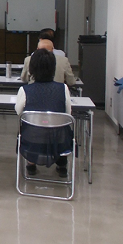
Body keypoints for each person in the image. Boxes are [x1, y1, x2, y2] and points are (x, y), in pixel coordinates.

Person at [15, 48, 72, 178]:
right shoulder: (63, 88)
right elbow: (67, 114)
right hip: (59, 141)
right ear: (53, 68)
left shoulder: (24, 90)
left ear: (31, 69)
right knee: (60, 129)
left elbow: (19, 113)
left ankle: (31, 163)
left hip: (32, 141)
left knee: (29, 128)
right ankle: (62, 164)